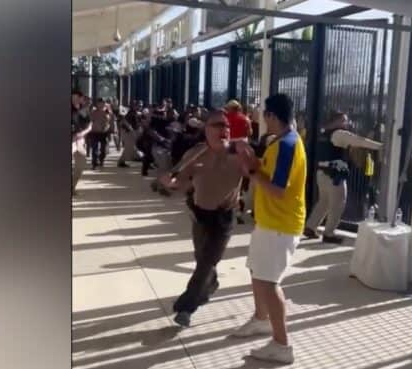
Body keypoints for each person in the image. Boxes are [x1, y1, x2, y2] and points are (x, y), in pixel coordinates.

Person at [231, 93, 306, 364]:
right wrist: (251, 162)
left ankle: (281, 345)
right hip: (269, 223)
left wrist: (251, 172)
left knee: (268, 282)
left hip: (280, 225)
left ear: (272, 116)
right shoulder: (279, 143)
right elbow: (268, 174)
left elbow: (277, 189)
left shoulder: (287, 144)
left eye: (265, 114)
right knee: (257, 272)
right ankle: (261, 320)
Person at [159, 111, 246, 328]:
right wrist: (169, 183)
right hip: (199, 213)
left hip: (225, 216)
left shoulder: (239, 152)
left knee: (207, 261)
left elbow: (256, 170)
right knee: (203, 259)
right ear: (206, 129)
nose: (223, 129)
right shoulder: (195, 154)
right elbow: (180, 182)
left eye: (226, 126)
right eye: (217, 125)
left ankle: (186, 308)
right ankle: (211, 284)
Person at [303, 111, 383, 243]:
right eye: (344, 120)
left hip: (321, 173)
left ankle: (311, 227)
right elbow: (359, 141)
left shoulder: (323, 134)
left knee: (324, 202)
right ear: (338, 121)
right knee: (338, 203)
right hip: (335, 176)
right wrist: (380, 147)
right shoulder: (339, 134)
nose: (347, 123)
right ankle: (329, 233)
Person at [71, 90, 92, 196]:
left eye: (76, 98)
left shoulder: (83, 111)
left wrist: (82, 133)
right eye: (72, 98)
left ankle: (72, 187)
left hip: (79, 139)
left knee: (80, 165)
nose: (73, 100)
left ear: (81, 98)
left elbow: (89, 126)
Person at [88, 98, 112, 170]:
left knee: (103, 149)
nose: (101, 104)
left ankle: (101, 160)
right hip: (94, 132)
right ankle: (94, 163)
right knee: (94, 149)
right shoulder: (93, 112)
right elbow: (90, 121)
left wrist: (107, 128)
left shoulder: (107, 112)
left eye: (102, 103)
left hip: (103, 133)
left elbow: (109, 122)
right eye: (99, 103)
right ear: (97, 104)